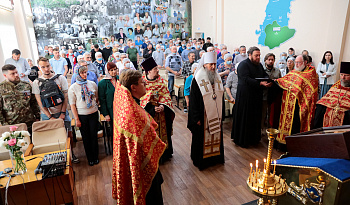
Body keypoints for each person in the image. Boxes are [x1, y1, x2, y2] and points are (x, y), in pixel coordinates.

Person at [112, 69, 165, 204]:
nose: (145, 85)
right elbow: (145, 137)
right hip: (142, 163)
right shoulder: (131, 112)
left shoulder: (125, 101)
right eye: (142, 83)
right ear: (133, 87)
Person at [33, 57, 79, 163]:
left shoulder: (60, 78)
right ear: (39, 68)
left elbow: (66, 96)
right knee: (53, 137)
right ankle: (58, 158)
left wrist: (63, 112)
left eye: (47, 66)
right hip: (47, 115)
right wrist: (50, 116)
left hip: (62, 111)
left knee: (68, 135)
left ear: (50, 65)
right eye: (43, 67)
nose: (46, 69)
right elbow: (39, 102)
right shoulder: (37, 83)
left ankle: (71, 155)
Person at [187, 52, 225, 170]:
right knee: (202, 138)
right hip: (202, 116)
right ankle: (201, 161)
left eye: (214, 64)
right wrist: (196, 118)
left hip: (216, 113)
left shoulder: (217, 77)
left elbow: (221, 97)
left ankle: (215, 159)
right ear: (204, 65)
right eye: (210, 65)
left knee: (216, 136)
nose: (213, 67)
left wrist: (222, 114)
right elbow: (193, 101)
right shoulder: (197, 79)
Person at [274, 55, 319, 150]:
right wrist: (277, 81)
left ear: (305, 62)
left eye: (299, 62)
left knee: (295, 125)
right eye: (296, 62)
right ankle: (281, 144)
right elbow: (285, 80)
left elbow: (310, 91)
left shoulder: (311, 74)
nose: (297, 64)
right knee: (283, 122)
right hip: (287, 102)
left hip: (299, 104)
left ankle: (292, 146)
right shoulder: (294, 72)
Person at [231, 47, 272, 148]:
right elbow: (245, 79)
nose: (258, 57)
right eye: (256, 55)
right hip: (246, 97)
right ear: (250, 55)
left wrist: (267, 80)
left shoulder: (259, 65)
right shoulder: (243, 65)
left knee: (255, 118)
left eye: (259, 55)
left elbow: (264, 74)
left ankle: (254, 139)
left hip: (256, 96)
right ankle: (243, 140)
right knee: (246, 118)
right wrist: (260, 83)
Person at [140, 57, 175, 162]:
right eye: (155, 68)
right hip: (149, 114)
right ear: (149, 71)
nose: (158, 70)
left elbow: (166, 96)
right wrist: (151, 108)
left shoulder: (162, 81)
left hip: (162, 114)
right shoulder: (142, 83)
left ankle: (164, 154)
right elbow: (141, 99)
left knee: (163, 133)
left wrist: (163, 106)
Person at [69, 65, 99, 166]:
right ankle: (90, 158)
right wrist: (77, 119)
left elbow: (96, 98)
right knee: (86, 138)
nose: (85, 75)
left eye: (86, 72)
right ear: (78, 74)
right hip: (82, 116)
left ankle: (96, 157)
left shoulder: (92, 84)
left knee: (94, 136)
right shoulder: (73, 87)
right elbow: (72, 105)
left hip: (93, 114)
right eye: (82, 73)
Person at [0, 64, 40, 131]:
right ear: (5, 75)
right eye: (12, 74)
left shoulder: (26, 85)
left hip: (30, 122)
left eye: (16, 72)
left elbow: (33, 102)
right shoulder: (1, 88)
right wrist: (5, 125)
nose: (16, 75)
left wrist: (37, 117)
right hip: (13, 125)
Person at [314, 62, 350, 128]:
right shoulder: (336, 85)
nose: (343, 77)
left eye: (346, 75)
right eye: (341, 75)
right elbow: (326, 98)